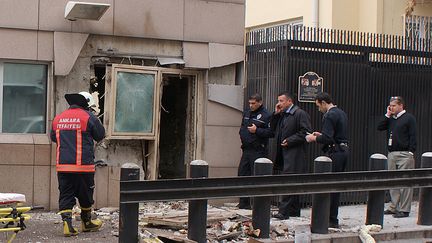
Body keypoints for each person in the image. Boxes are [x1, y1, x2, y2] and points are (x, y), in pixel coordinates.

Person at [51, 91, 105, 236]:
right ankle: (87, 223)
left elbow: (54, 138)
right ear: (86, 104)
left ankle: (67, 225)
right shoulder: (88, 117)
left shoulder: (58, 118)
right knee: (86, 194)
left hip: (63, 166)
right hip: (83, 166)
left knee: (66, 194)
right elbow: (100, 135)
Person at [306, 92, 348, 228]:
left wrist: (314, 138)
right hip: (343, 151)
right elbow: (335, 134)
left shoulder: (329, 115)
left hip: (334, 153)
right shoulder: (341, 113)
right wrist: (322, 135)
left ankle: (329, 219)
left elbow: (328, 138)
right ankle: (332, 218)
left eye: (319, 106)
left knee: (328, 185)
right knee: (336, 186)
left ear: (323, 103)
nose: (319, 109)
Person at [270, 92, 311, 219]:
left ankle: (284, 211)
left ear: (289, 101)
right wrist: (276, 114)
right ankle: (294, 210)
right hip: (285, 153)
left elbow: (306, 132)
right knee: (293, 181)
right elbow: (272, 128)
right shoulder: (283, 115)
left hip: (295, 154)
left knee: (288, 181)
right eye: (278, 100)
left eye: (281, 101)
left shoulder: (299, 114)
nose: (279, 103)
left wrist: (290, 140)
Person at [377, 96, 416, 218]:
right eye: (390, 105)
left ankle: (404, 209)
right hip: (392, 153)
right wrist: (387, 115)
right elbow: (380, 127)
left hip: (405, 153)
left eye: (393, 105)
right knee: (393, 181)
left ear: (401, 105)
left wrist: (411, 152)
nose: (391, 107)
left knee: (405, 182)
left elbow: (413, 135)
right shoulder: (391, 119)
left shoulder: (409, 118)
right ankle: (394, 206)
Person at [238, 93, 273, 209]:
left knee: (257, 176)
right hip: (246, 149)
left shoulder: (266, 115)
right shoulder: (247, 113)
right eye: (250, 103)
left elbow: (271, 132)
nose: (251, 105)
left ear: (260, 102)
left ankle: (258, 203)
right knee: (243, 174)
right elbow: (243, 127)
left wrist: (257, 131)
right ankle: (244, 202)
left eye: (253, 103)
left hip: (258, 149)